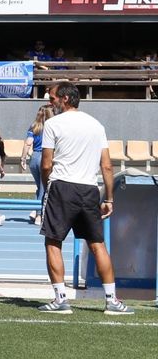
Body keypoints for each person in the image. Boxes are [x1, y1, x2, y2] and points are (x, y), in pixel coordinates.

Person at [37, 82, 130, 314]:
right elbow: (107, 166)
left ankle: (60, 299)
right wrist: (109, 198)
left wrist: (47, 184)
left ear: (65, 99)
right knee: (98, 245)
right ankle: (112, 300)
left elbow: (46, 163)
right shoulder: (96, 125)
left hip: (62, 187)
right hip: (89, 189)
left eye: (53, 98)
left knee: (53, 241)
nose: (50, 102)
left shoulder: (53, 124)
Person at [24, 104, 53, 225]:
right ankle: (39, 214)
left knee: (40, 186)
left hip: (35, 156)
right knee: (44, 187)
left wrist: (23, 158)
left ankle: (34, 210)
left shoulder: (34, 127)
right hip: (45, 155)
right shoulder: (52, 127)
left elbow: (28, 143)